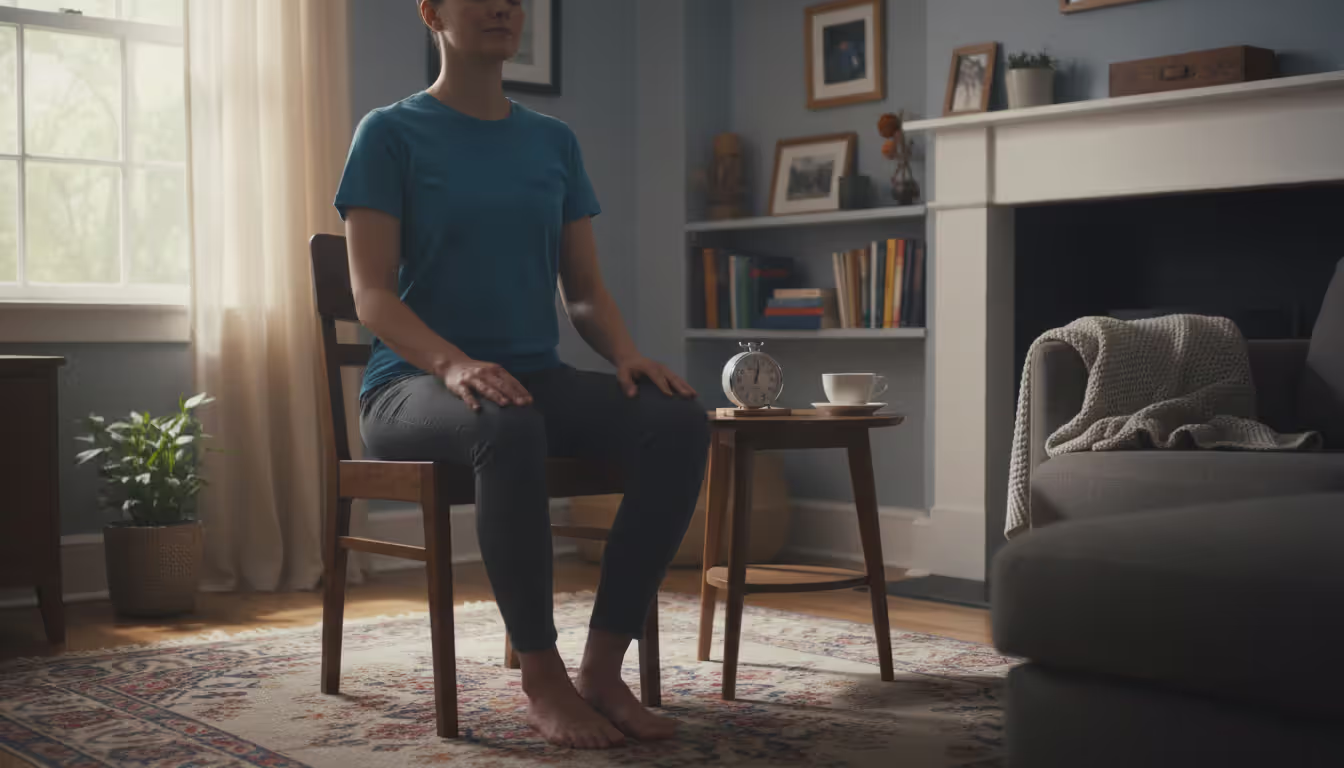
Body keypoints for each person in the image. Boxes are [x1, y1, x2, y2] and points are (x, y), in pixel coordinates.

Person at [334, 0, 710, 750]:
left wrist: (626, 353)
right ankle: (542, 680)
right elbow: (371, 294)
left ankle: (602, 669)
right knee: (509, 425)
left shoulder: (553, 143)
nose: (504, 6)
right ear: (432, 12)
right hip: (409, 385)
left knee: (677, 420)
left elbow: (582, 290)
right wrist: (453, 362)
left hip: (532, 377)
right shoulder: (388, 133)